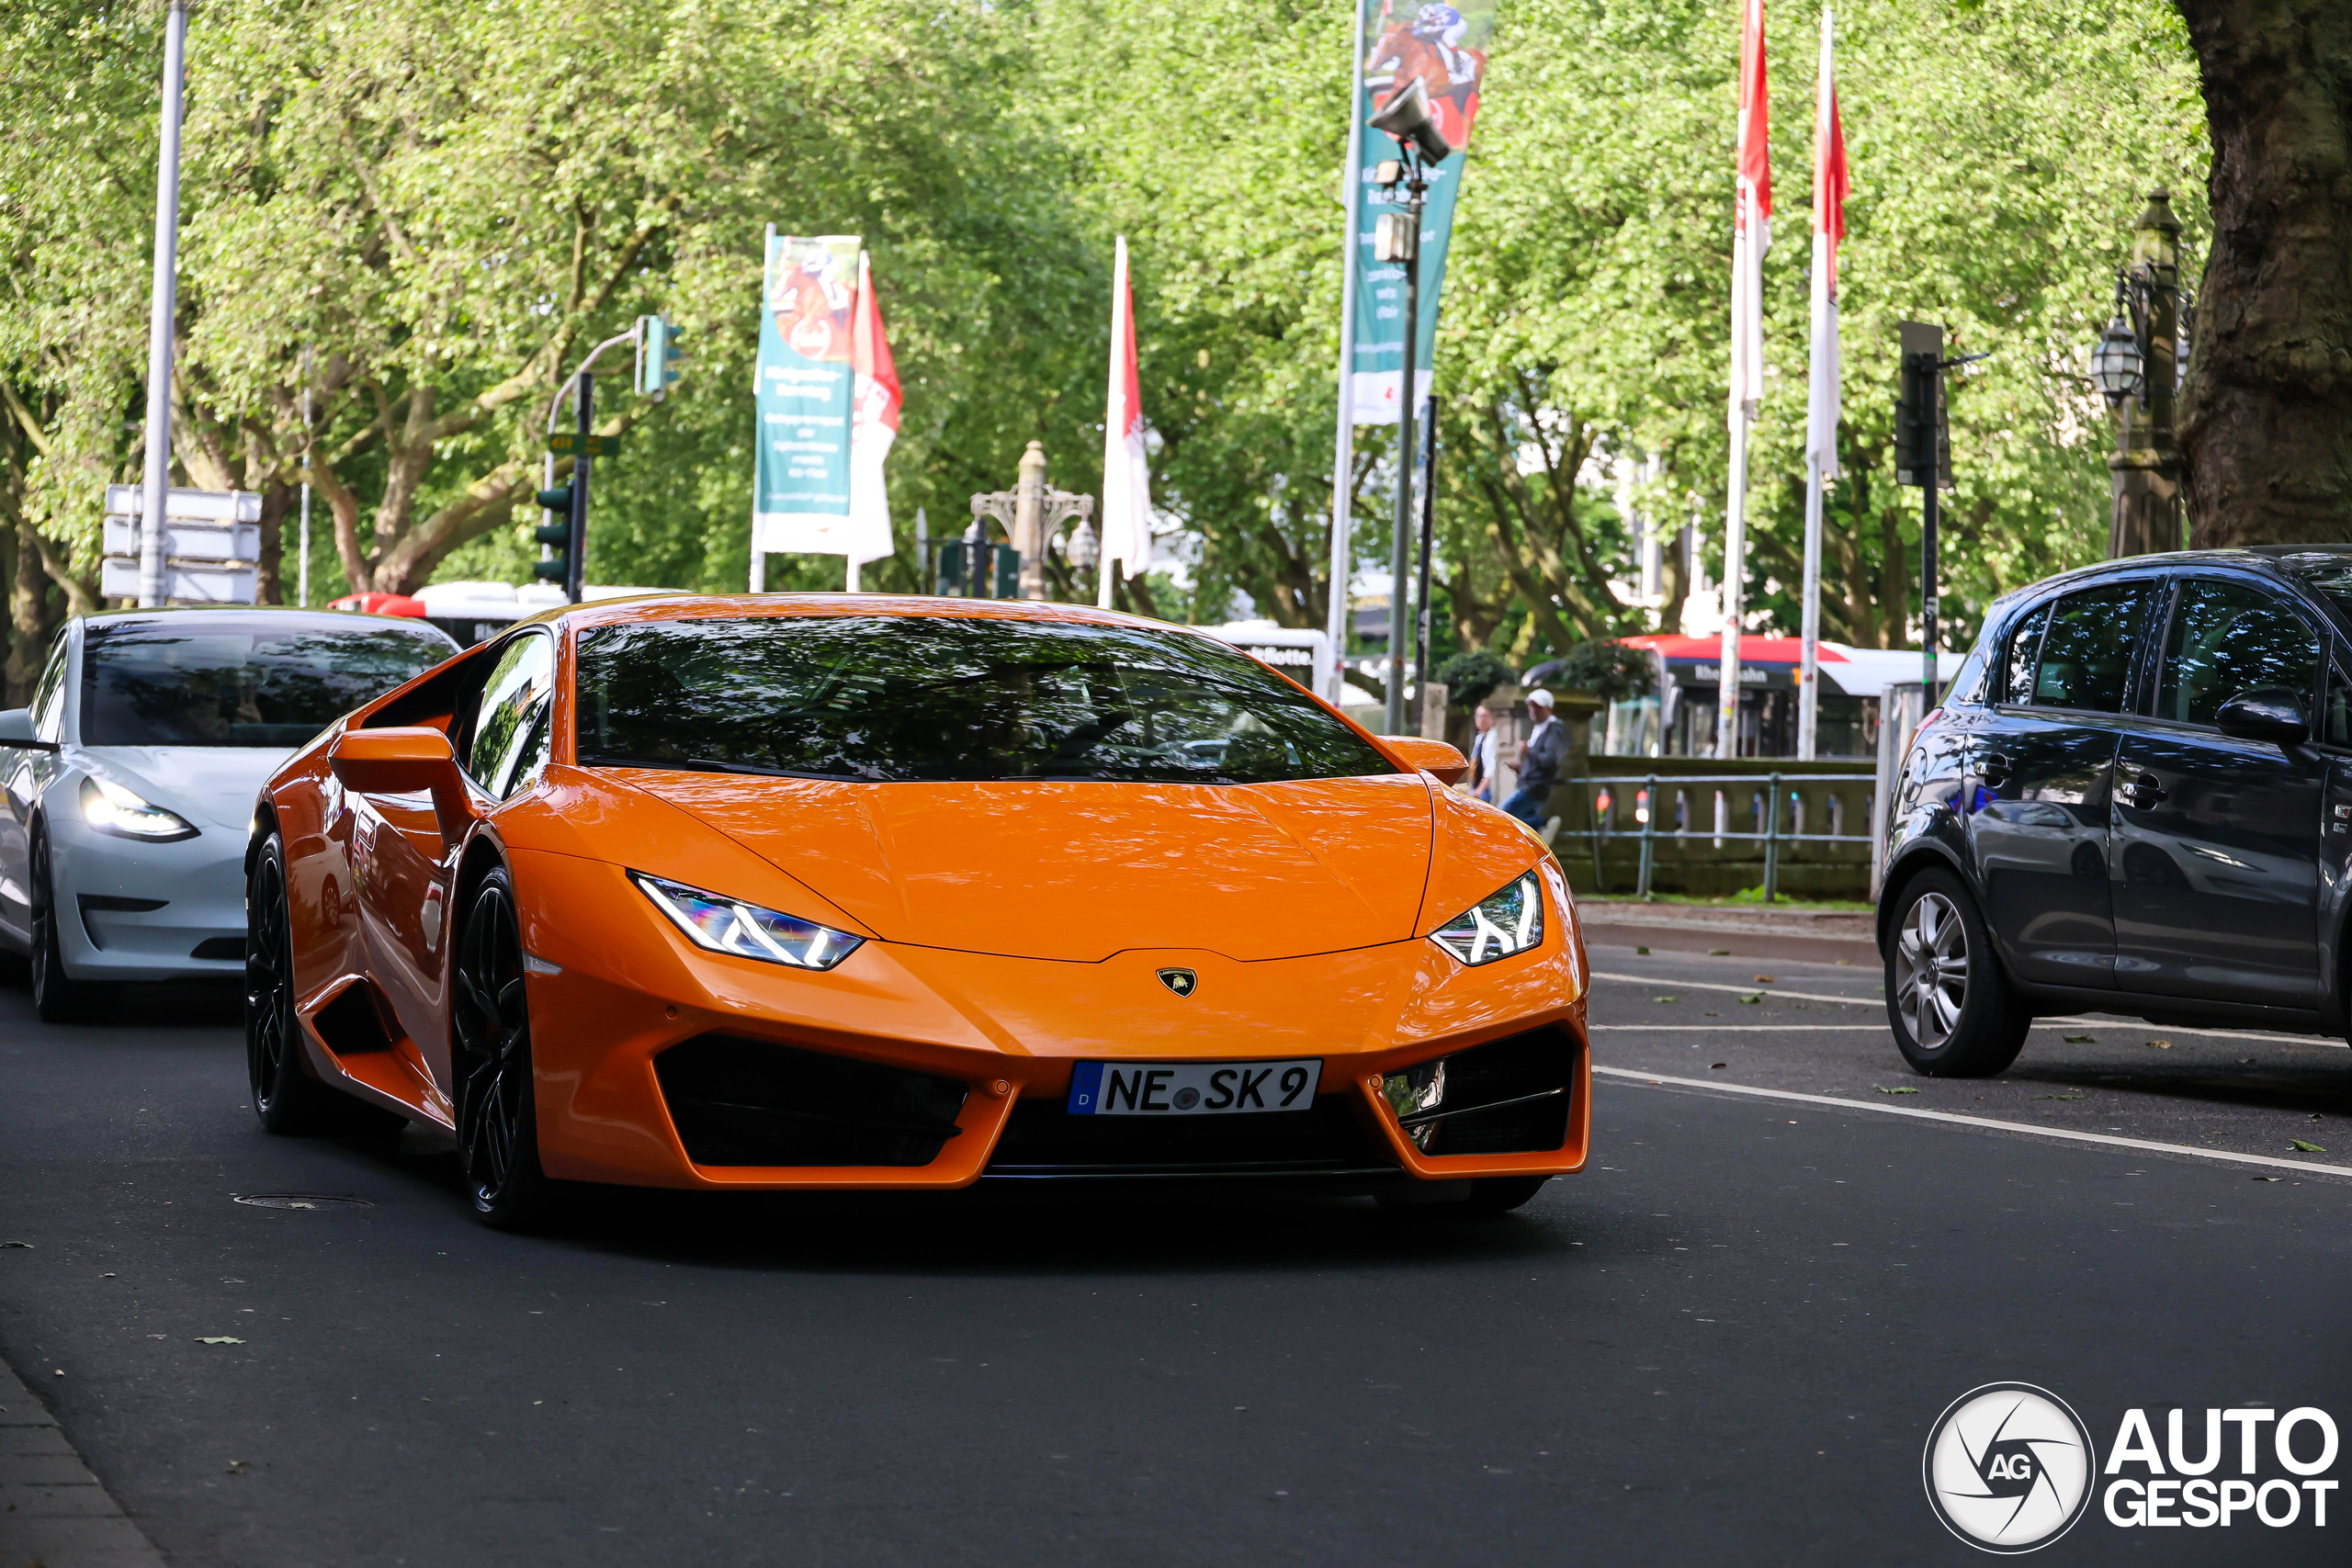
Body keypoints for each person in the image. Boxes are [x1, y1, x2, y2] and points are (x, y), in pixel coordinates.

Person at [1501, 688, 1566, 832]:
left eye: (1538, 707)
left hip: (1535, 786)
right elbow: (1540, 760)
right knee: (1521, 827)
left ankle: (1543, 823)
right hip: (1531, 784)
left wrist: (1528, 751)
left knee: (1503, 815)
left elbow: (1550, 761)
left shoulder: (1554, 730)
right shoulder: (1540, 728)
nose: (1533, 710)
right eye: (1531, 706)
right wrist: (1523, 767)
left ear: (1549, 708)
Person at [1466, 702, 1498, 802]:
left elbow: (1491, 767)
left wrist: (1481, 789)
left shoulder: (1493, 738)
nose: (1481, 720)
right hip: (1476, 786)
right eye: (1478, 716)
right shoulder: (1479, 738)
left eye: (1485, 716)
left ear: (1492, 719)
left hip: (1487, 788)